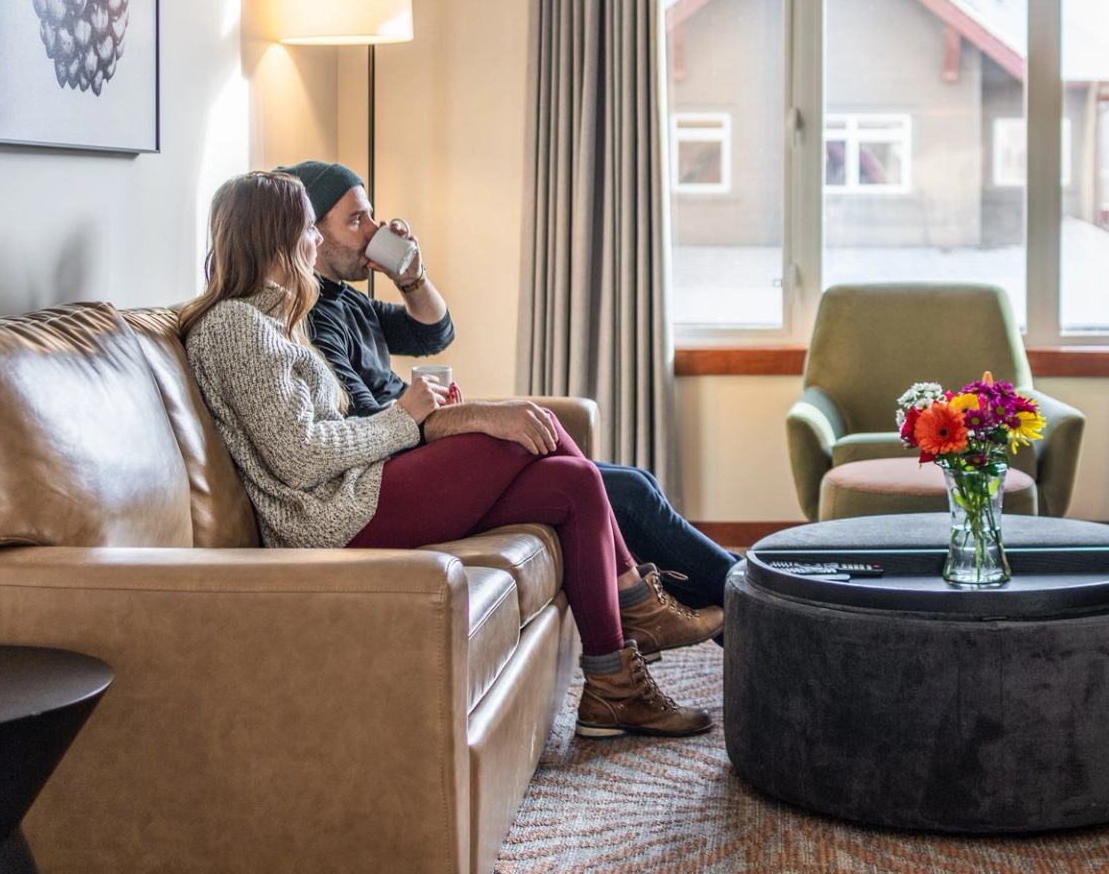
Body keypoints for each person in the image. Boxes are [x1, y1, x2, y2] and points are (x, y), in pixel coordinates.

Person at [180, 171, 715, 739]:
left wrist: (411, 290)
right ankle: (634, 599)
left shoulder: (276, 318)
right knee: (533, 426)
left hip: (358, 488)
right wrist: (404, 417)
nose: (314, 242)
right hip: (332, 520)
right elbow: (301, 457)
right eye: (305, 232)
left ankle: (612, 688)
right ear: (276, 237)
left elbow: (430, 334)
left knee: (574, 482)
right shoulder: (237, 325)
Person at [273, 160, 739, 623]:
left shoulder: (346, 298)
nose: (373, 231)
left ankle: (725, 612)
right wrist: (474, 417)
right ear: (309, 235)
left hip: (420, 453)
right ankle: (741, 600)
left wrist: (410, 275)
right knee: (628, 491)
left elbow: (432, 334)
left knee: (635, 486)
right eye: (357, 221)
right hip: (395, 477)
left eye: (371, 215)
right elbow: (373, 421)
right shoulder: (311, 318)